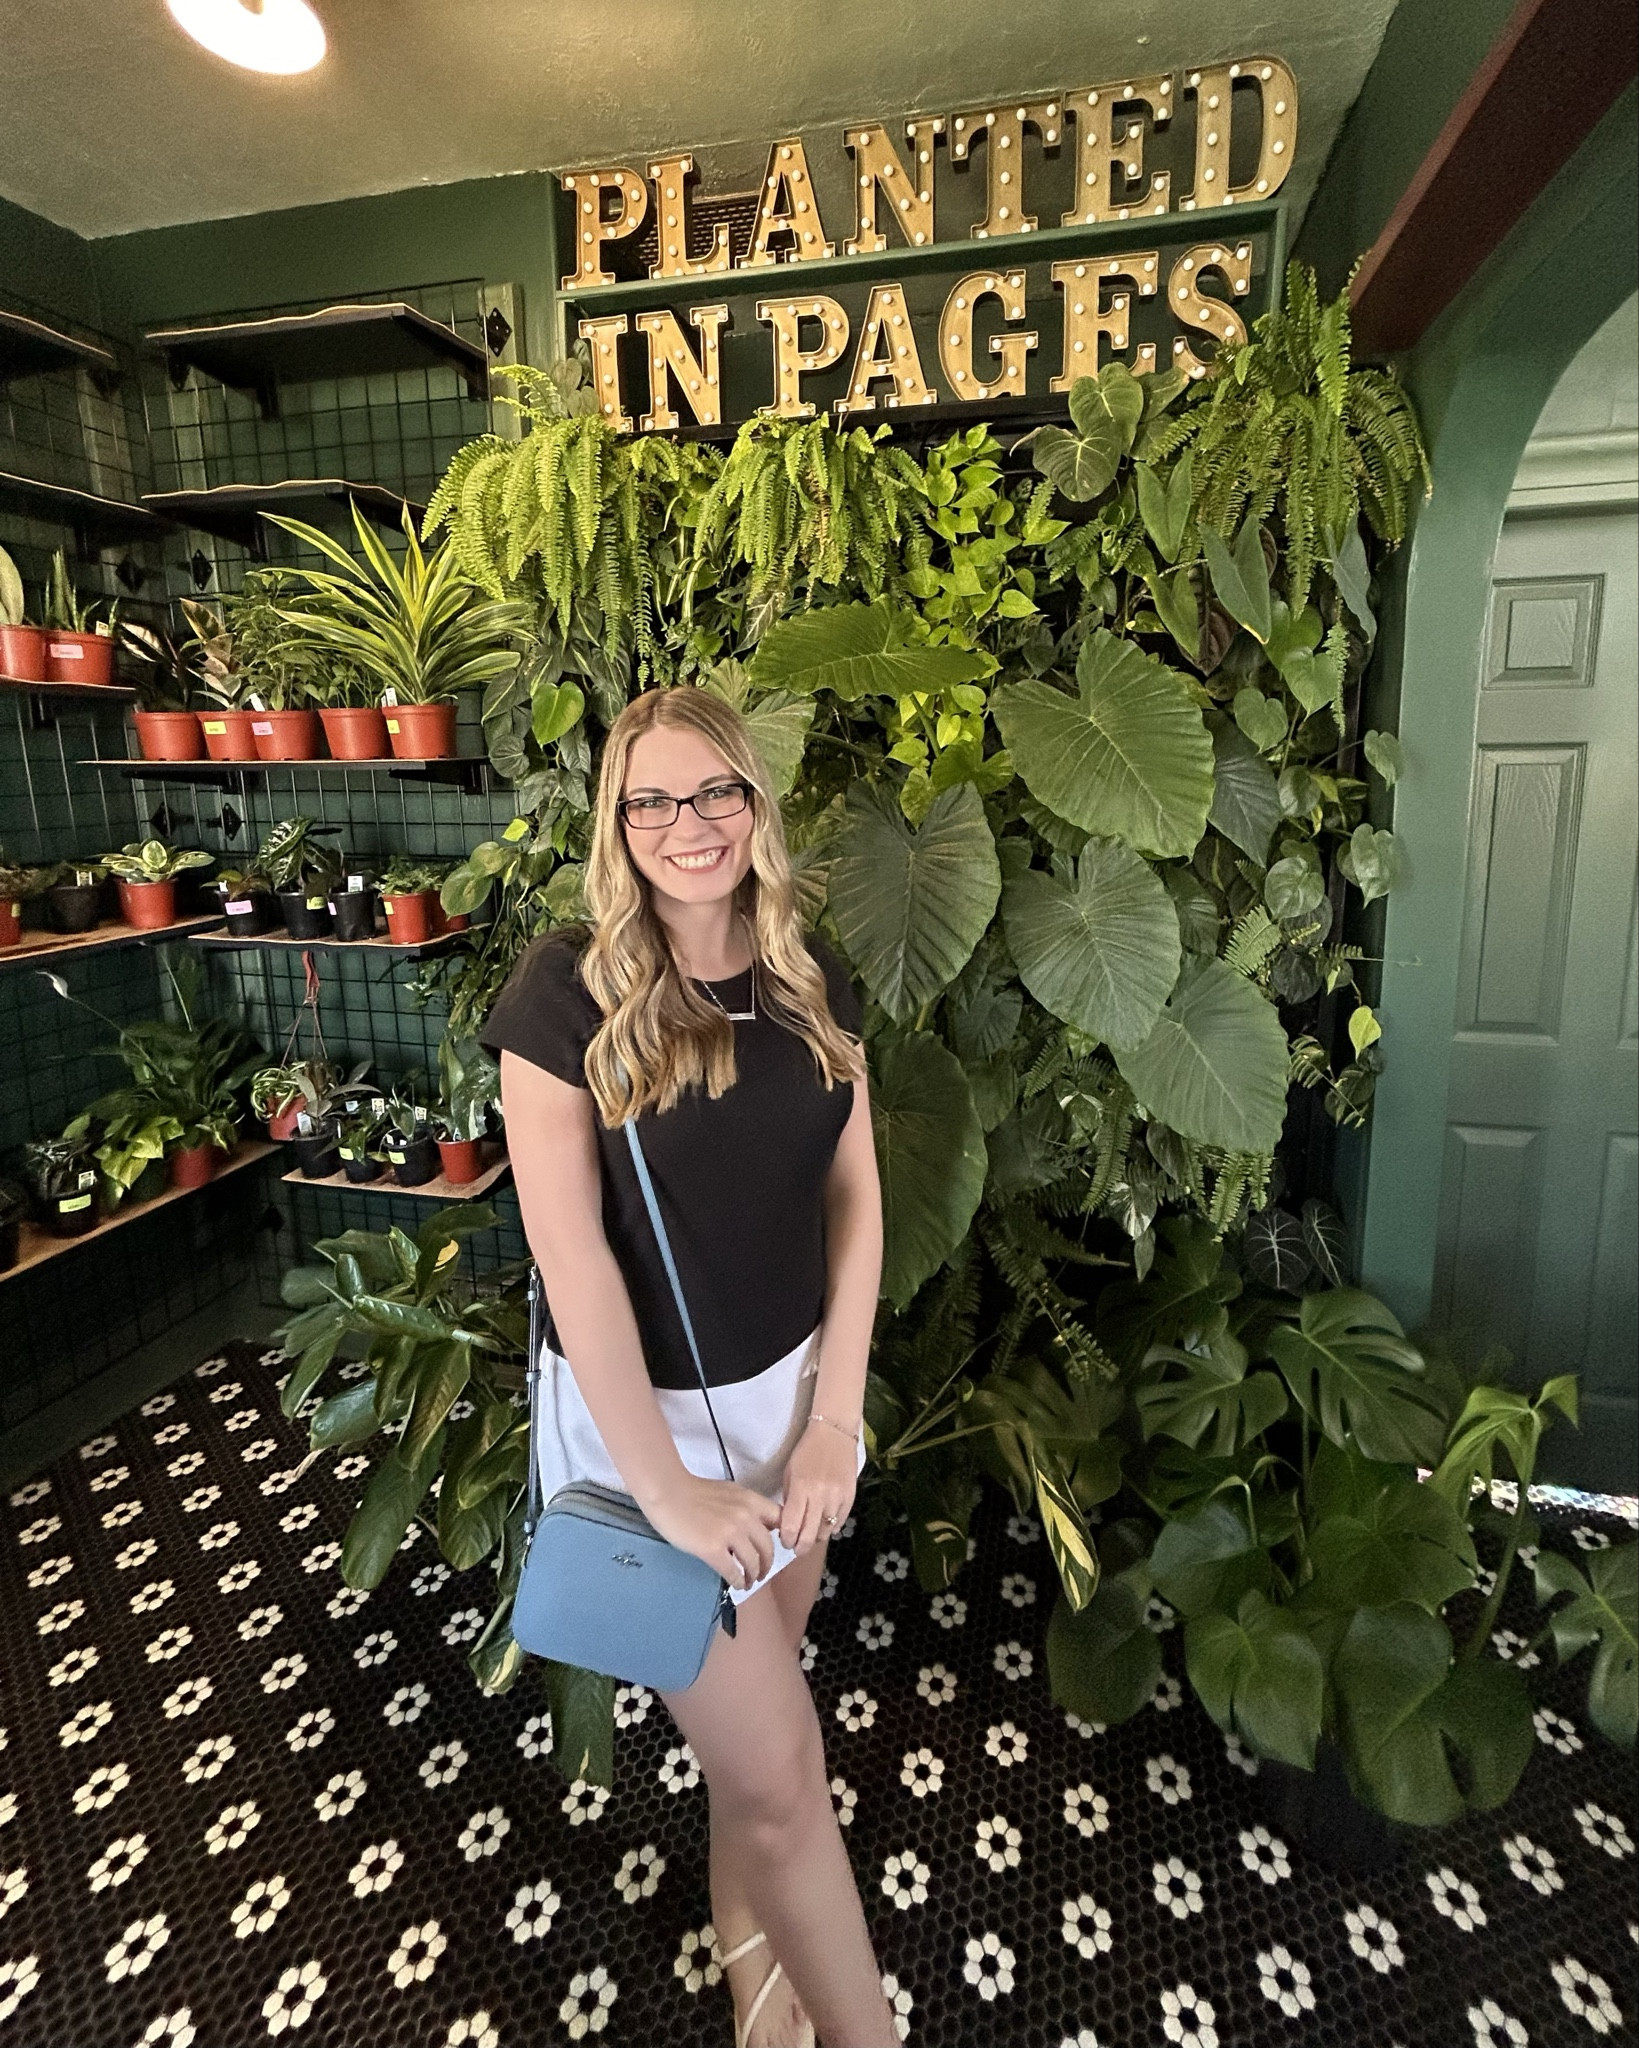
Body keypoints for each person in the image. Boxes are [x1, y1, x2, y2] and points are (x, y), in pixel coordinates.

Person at [480, 685, 900, 2048]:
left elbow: (858, 1196)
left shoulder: (802, 969)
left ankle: (750, 1967)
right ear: (616, 823)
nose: (687, 824)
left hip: (788, 1424)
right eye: (650, 799)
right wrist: (663, 1493)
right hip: (650, 1440)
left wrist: (835, 1418)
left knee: (748, 1763)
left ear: (754, 804)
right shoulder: (566, 992)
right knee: (783, 1771)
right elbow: (573, 1256)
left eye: (714, 790)